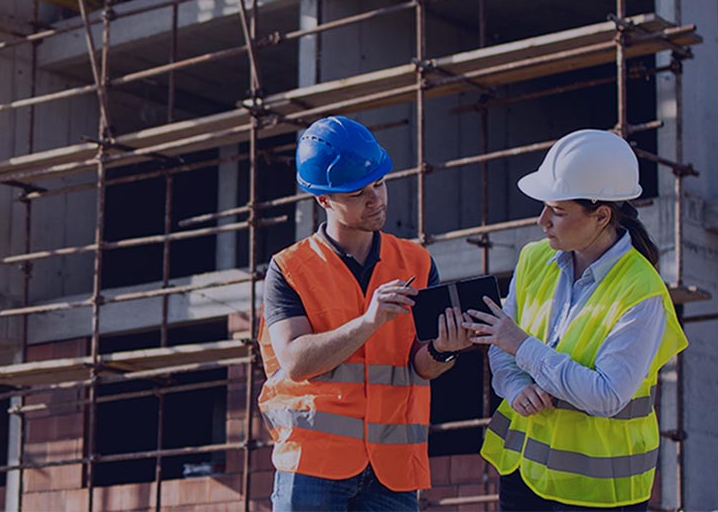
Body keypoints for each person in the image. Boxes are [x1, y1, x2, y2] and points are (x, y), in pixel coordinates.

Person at [464, 129, 688, 511]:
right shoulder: (534, 259)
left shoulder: (641, 291)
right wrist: (515, 385)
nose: (542, 221)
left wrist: (522, 346)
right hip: (525, 475)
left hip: (597, 492)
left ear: (602, 215)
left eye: (558, 211)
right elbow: (501, 341)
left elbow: (607, 396)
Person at [257, 115, 473, 511]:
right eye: (358, 193)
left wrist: (444, 350)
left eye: (380, 184)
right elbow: (296, 361)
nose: (376, 199)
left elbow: (421, 366)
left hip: (393, 470)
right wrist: (369, 322)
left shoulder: (416, 262)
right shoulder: (289, 269)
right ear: (324, 199)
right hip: (314, 466)